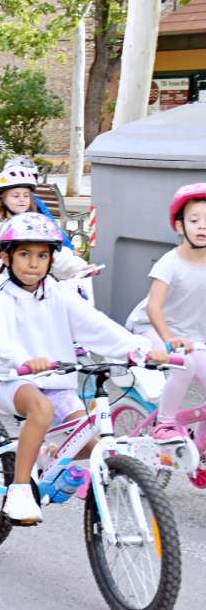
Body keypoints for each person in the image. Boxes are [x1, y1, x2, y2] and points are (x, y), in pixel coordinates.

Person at [0, 213, 161, 523]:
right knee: (41, 409)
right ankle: (19, 490)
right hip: (8, 377)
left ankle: (47, 455)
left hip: (57, 379)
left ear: (51, 259)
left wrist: (137, 349)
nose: (33, 263)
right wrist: (23, 359)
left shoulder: (58, 292)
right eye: (24, 254)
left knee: (89, 443)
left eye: (42, 255)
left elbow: (94, 325)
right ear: (7, 256)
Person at [125, 184, 206, 444]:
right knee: (185, 364)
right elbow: (153, 307)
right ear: (180, 226)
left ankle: (202, 447)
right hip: (153, 328)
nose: (202, 227)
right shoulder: (170, 262)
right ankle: (165, 423)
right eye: (195, 220)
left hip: (192, 335)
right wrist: (169, 338)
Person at [0, 165, 89, 281]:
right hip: (4, 286)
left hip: (35, 285)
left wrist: (80, 268)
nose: (22, 199)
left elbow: (58, 253)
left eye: (26, 196)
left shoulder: (36, 226)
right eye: (16, 196)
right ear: (2, 200)